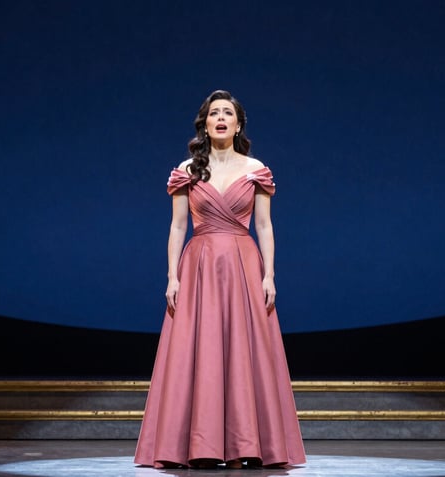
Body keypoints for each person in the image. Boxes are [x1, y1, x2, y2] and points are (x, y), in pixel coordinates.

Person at [134, 90, 306, 469]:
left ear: (238, 124)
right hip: (200, 266)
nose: (221, 118)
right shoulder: (187, 170)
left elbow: (264, 225)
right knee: (200, 351)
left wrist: (269, 275)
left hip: (244, 265)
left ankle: (249, 444)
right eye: (215, 113)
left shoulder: (256, 168)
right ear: (206, 124)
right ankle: (197, 445)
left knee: (247, 352)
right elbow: (178, 226)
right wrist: (172, 275)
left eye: (228, 112)